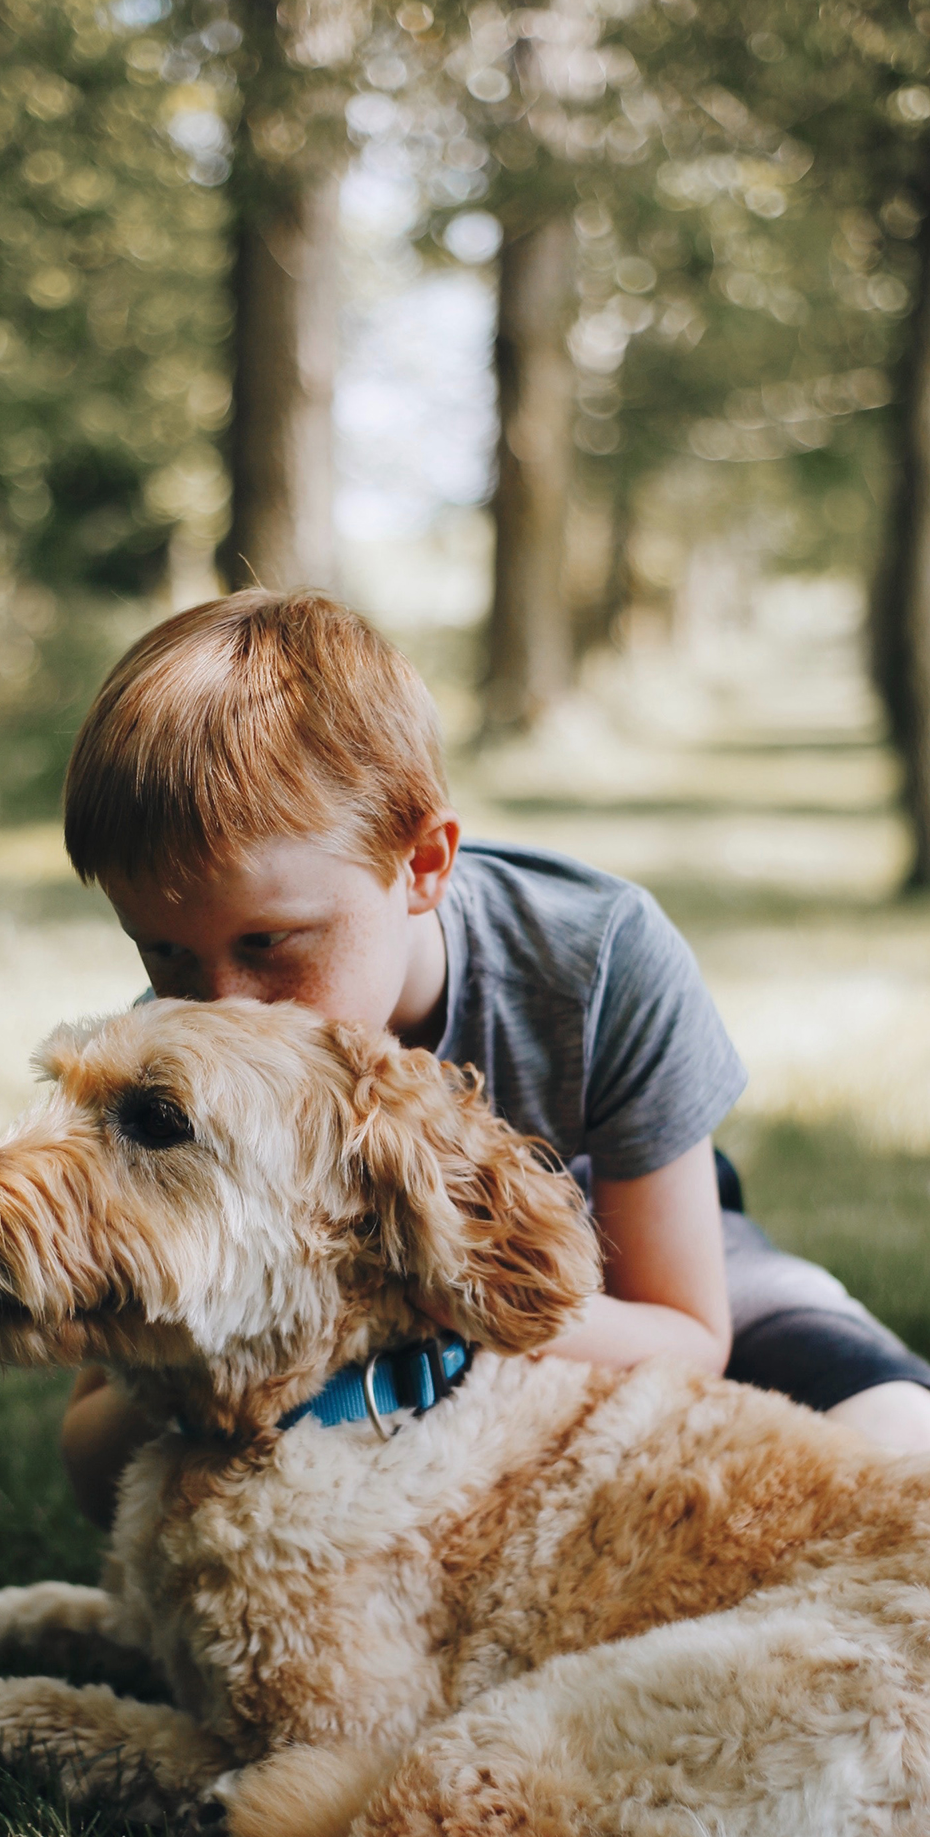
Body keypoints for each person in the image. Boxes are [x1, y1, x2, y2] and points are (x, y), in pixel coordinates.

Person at [59, 588, 930, 1529]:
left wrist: (440, 1298)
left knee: (899, 1440)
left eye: (271, 943)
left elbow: (687, 1336)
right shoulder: (170, 1069)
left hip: (628, 1272)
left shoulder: (597, 959)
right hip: (340, 1357)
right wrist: (172, 1361)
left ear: (423, 864)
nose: (221, 1006)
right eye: (166, 956)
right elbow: (90, 1455)